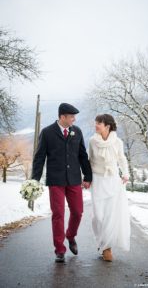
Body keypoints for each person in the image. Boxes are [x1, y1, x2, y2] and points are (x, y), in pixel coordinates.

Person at [32, 103, 92, 263]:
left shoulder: (77, 131)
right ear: (62, 117)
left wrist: (88, 176)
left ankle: (70, 236)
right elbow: (39, 158)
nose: (74, 119)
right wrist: (34, 180)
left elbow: (82, 155)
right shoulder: (47, 133)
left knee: (78, 212)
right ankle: (59, 249)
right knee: (58, 214)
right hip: (55, 180)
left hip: (74, 179)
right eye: (72, 116)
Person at [89, 114, 131, 262]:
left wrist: (125, 173)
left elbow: (121, 159)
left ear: (107, 126)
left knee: (110, 215)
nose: (95, 125)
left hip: (113, 181)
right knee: (98, 216)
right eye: (95, 122)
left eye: (98, 123)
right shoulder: (93, 141)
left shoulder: (117, 142)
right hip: (97, 181)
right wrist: (86, 178)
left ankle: (107, 248)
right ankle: (101, 242)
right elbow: (89, 161)